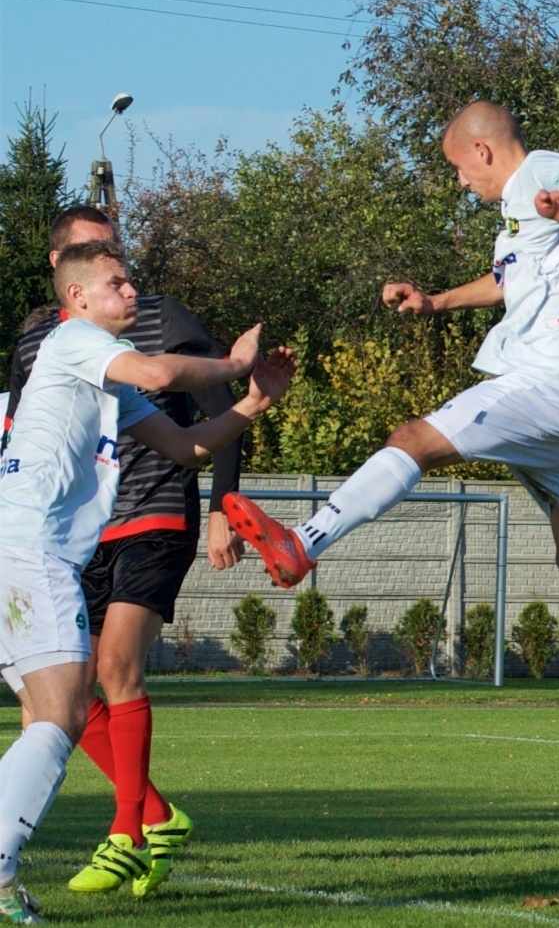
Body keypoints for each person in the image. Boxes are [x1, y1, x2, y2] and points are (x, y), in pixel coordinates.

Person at [220, 100, 559, 798]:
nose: (462, 183)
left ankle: (302, 542)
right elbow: (507, 281)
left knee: (414, 439)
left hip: (543, 386)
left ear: (484, 152)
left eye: (459, 169)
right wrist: (434, 302)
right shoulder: (519, 218)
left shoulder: (540, 176)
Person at [0, 240, 294, 925]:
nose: (131, 293)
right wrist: (233, 362)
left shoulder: (106, 380)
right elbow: (164, 372)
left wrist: (252, 403)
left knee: (54, 716)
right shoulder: (73, 340)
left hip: (25, 552)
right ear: (77, 299)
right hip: (30, 551)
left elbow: (186, 447)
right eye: (116, 283)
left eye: (131, 283)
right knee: (64, 715)